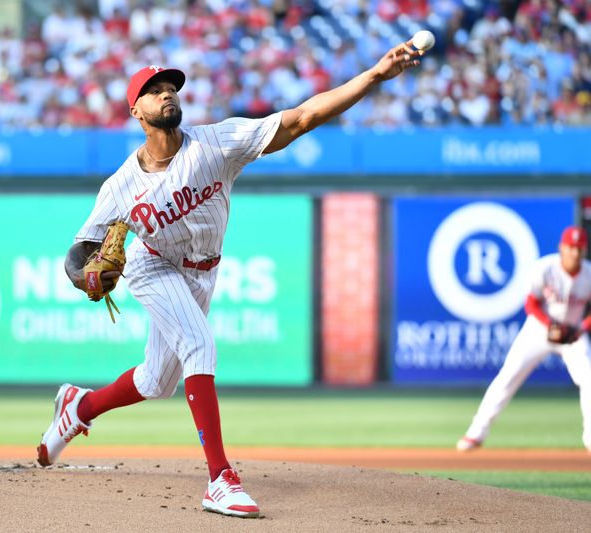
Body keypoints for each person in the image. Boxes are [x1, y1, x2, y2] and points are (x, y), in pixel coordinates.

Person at [36, 42, 426, 518]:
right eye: (153, 91)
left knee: (157, 380)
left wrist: (372, 76)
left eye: (170, 88)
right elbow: (79, 253)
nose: (166, 95)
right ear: (135, 110)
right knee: (199, 344)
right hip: (153, 265)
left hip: (204, 272)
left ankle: (80, 408)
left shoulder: (215, 143)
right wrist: (86, 280)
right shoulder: (120, 186)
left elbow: (300, 119)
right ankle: (220, 478)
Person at [457, 226, 591, 453]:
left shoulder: (588, 273)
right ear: (561, 247)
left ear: (584, 249)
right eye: (570, 248)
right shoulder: (545, 268)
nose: (574, 253)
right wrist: (550, 324)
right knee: (508, 376)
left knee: (589, 379)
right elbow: (530, 303)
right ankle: (476, 432)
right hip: (539, 330)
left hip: (573, 334)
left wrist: (581, 328)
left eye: (578, 249)